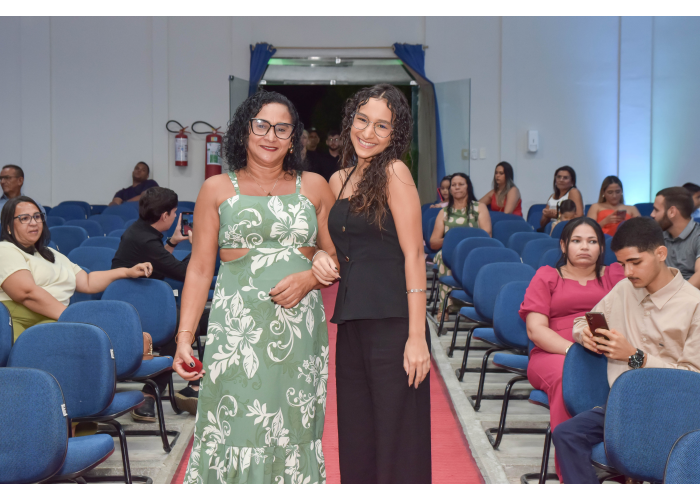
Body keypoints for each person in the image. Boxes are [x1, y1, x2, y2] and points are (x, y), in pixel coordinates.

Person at [174, 90, 338, 484]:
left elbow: (339, 256)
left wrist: (312, 275)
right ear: (244, 131)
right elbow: (200, 269)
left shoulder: (315, 186)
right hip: (237, 334)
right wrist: (184, 337)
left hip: (298, 335)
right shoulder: (216, 189)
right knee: (236, 427)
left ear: (294, 138)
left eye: (282, 128)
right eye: (261, 125)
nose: (271, 136)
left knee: (293, 428)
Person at [312, 83, 431, 484]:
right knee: (357, 433)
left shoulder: (395, 173)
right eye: (362, 120)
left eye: (382, 125)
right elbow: (335, 249)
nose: (368, 132)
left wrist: (417, 336)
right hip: (351, 323)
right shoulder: (338, 180)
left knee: (398, 435)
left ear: (395, 134)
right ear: (350, 121)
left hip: (394, 323)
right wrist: (320, 257)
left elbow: (414, 255)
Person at [552, 217, 700, 484]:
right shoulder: (624, 289)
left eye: (635, 262)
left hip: (674, 410)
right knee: (566, 434)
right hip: (624, 406)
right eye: (622, 264)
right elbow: (580, 323)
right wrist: (586, 335)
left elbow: (692, 378)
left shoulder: (694, 305)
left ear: (660, 254)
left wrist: (634, 357)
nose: (628, 271)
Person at [519, 217, 625, 480]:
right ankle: (572, 475)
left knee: (631, 381)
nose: (584, 247)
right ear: (564, 246)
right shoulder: (548, 277)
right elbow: (535, 330)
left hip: (606, 351)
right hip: (554, 352)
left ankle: (623, 462)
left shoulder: (615, 276)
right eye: (577, 241)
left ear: (601, 247)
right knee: (567, 377)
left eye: (592, 241)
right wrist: (574, 353)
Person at [0, 196, 152, 341]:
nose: (33, 223)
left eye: (37, 216)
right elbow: (27, 293)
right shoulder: (5, 249)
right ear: (8, 227)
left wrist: (126, 271)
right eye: (24, 218)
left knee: (120, 336)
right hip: (21, 323)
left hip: (55, 319)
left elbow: (87, 281)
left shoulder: (50, 253)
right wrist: (72, 317)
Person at [111, 186, 196, 420]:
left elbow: (155, 269)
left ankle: (189, 384)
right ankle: (150, 392)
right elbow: (185, 273)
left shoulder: (140, 231)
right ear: (165, 215)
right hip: (132, 310)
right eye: (174, 212)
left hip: (134, 301)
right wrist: (199, 247)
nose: (175, 216)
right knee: (183, 327)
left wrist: (172, 242)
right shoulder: (145, 239)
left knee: (184, 321)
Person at [430, 172, 492, 314]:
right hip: (449, 254)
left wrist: (465, 243)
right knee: (442, 256)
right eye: (453, 185)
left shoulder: (479, 208)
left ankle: (475, 303)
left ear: (468, 187)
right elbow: (433, 242)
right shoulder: (444, 212)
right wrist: (451, 241)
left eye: (461, 184)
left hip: (474, 252)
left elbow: (487, 235)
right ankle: (445, 306)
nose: (457, 187)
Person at [651, 187, 700, 288]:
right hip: (664, 291)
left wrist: (675, 295)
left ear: (672, 212)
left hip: (690, 294)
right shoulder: (658, 235)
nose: (652, 214)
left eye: (656, 210)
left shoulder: (697, 236)